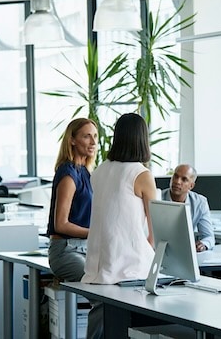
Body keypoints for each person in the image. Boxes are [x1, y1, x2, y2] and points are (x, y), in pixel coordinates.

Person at [81, 113, 156, 339]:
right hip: (128, 267)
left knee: (103, 320)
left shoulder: (100, 170)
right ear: (142, 138)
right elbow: (156, 229)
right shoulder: (141, 174)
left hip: (98, 266)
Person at [45, 117, 97, 283]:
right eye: (86, 136)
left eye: (95, 136)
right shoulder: (68, 173)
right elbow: (61, 224)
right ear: (72, 140)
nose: (93, 142)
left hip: (86, 248)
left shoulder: (85, 172)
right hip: (66, 250)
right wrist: (95, 233)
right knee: (98, 283)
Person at [161, 164, 215, 252]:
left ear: (191, 186)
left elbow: (209, 236)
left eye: (184, 179)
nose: (177, 182)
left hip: (184, 251)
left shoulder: (200, 202)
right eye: (175, 176)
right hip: (158, 249)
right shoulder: (157, 197)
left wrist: (203, 244)